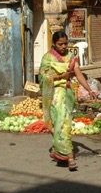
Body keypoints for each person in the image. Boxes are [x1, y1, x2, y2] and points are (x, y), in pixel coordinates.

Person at [39, 31, 97, 171]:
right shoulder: (47, 58)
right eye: (60, 44)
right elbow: (43, 77)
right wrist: (60, 77)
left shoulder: (71, 57)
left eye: (65, 43)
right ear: (53, 43)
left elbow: (78, 74)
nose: (64, 46)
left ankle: (59, 151)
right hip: (54, 96)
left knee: (64, 123)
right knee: (61, 123)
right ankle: (70, 156)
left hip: (68, 94)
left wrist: (89, 90)